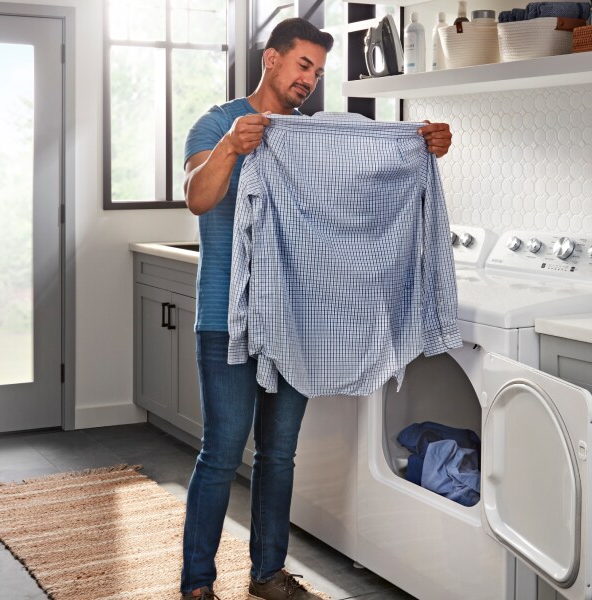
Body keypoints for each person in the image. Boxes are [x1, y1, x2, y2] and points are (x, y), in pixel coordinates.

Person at [181, 17, 453, 600]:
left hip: (294, 317)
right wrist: (232, 145)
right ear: (271, 59)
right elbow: (198, 198)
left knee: (279, 455)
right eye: (303, 64)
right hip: (226, 315)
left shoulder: (311, 137)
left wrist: (421, 147)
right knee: (223, 451)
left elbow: (362, 189)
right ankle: (197, 585)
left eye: (319, 72)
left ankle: (267, 575)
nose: (310, 80)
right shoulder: (218, 122)